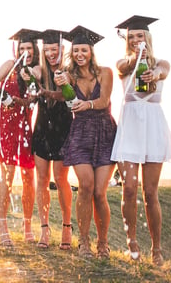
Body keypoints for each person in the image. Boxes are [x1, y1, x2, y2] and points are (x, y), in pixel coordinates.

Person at [111, 15, 171, 266]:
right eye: (131, 37)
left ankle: (157, 249)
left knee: (150, 192)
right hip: (130, 126)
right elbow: (123, 66)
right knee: (129, 189)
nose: (136, 40)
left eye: (140, 36)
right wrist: (135, 58)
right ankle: (132, 243)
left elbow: (164, 71)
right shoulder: (124, 62)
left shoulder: (161, 63)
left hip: (152, 126)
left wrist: (156, 74)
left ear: (147, 38)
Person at [55, 26, 116, 259]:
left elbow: (103, 101)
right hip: (80, 135)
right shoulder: (70, 76)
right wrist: (61, 83)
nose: (80, 54)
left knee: (100, 193)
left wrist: (87, 105)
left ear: (91, 51)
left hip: (104, 133)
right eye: (76, 50)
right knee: (86, 187)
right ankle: (84, 242)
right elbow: (67, 96)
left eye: (84, 50)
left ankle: (103, 243)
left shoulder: (105, 73)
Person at [0, 29, 40, 247]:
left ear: (34, 50)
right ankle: (2, 223)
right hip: (6, 126)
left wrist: (29, 79)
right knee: (7, 175)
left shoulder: (37, 69)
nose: (25, 52)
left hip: (25, 125)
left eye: (29, 48)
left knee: (29, 175)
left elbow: (32, 98)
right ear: (16, 50)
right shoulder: (10, 65)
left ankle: (27, 224)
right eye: (22, 48)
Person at [31, 29, 74, 250]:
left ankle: (67, 227)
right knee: (41, 179)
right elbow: (34, 72)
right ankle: (44, 229)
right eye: (46, 50)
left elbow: (70, 96)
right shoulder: (41, 70)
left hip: (63, 127)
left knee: (60, 178)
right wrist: (32, 75)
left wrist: (65, 81)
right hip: (42, 127)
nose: (49, 53)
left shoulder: (69, 70)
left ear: (61, 49)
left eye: (53, 49)